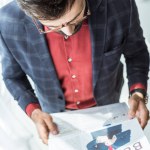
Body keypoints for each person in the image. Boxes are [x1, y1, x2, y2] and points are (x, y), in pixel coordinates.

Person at [0, 0, 149, 145]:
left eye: (77, 17)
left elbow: (136, 53)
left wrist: (138, 93)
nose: (69, 31)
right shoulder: (8, 22)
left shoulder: (119, 4)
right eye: (54, 26)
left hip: (108, 102)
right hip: (55, 113)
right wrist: (34, 111)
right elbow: (12, 77)